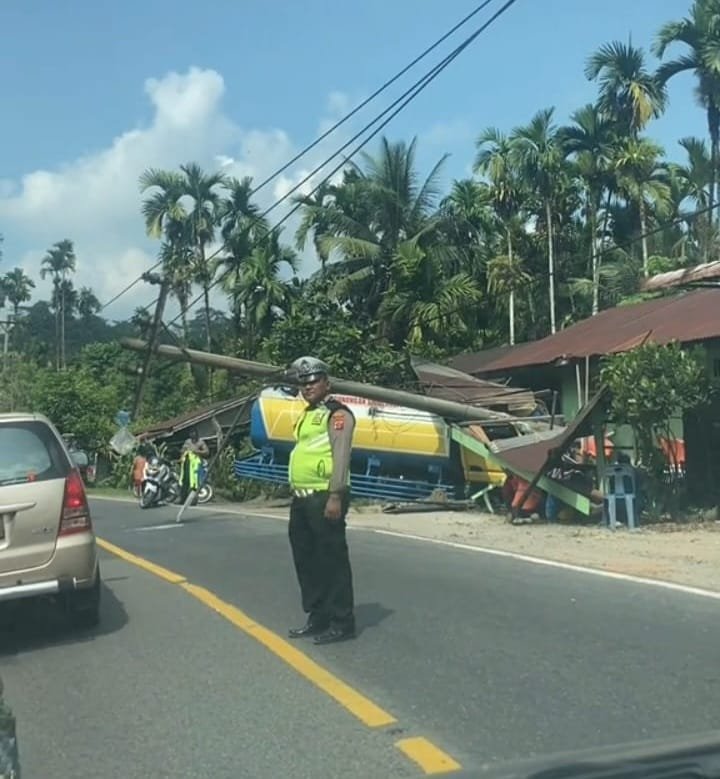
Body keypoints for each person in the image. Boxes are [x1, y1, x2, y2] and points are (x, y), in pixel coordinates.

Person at [286, 356, 357, 645]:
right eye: (303, 383)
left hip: (325, 496)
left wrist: (336, 495)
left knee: (332, 560)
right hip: (301, 498)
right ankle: (318, 615)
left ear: (326, 382)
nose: (307, 387)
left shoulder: (337, 414)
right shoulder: (308, 413)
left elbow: (341, 456)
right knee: (306, 560)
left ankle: (342, 621)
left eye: (313, 381)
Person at [179, 427, 209, 503]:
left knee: (195, 482)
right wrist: (184, 451)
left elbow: (206, 452)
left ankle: (193, 500)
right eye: (191, 433)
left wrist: (197, 451)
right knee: (185, 481)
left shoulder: (200, 442)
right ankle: (182, 499)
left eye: (194, 433)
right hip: (187, 463)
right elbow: (182, 450)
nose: (193, 435)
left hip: (196, 464)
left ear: (197, 434)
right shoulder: (187, 442)